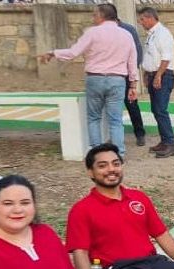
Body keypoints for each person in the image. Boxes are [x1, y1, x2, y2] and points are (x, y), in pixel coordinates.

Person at [38, 3, 138, 158]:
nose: (93, 18)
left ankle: (97, 155)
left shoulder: (92, 33)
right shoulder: (126, 35)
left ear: (101, 16)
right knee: (115, 121)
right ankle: (119, 155)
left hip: (95, 79)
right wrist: (133, 84)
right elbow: (132, 61)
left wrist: (53, 53)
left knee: (94, 118)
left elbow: (73, 52)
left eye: (94, 15)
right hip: (117, 80)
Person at [138, 7, 174, 158]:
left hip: (163, 75)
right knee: (156, 109)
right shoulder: (151, 35)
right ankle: (164, 141)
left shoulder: (163, 34)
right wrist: (147, 74)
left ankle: (170, 144)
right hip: (154, 74)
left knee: (161, 110)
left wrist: (158, 75)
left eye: (142, 19)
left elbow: (166, 58)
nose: (141, 22)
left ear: (150, 18)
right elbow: (150, 57)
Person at [116, 9, 147, 149]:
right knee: (113, 106)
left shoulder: (129, 30)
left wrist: (132, 73)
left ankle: (140, 134)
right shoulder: (104, 31)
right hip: (112, 75)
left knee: (131, 104)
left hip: (127, 75)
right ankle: (115, 136)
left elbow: (137, 52)